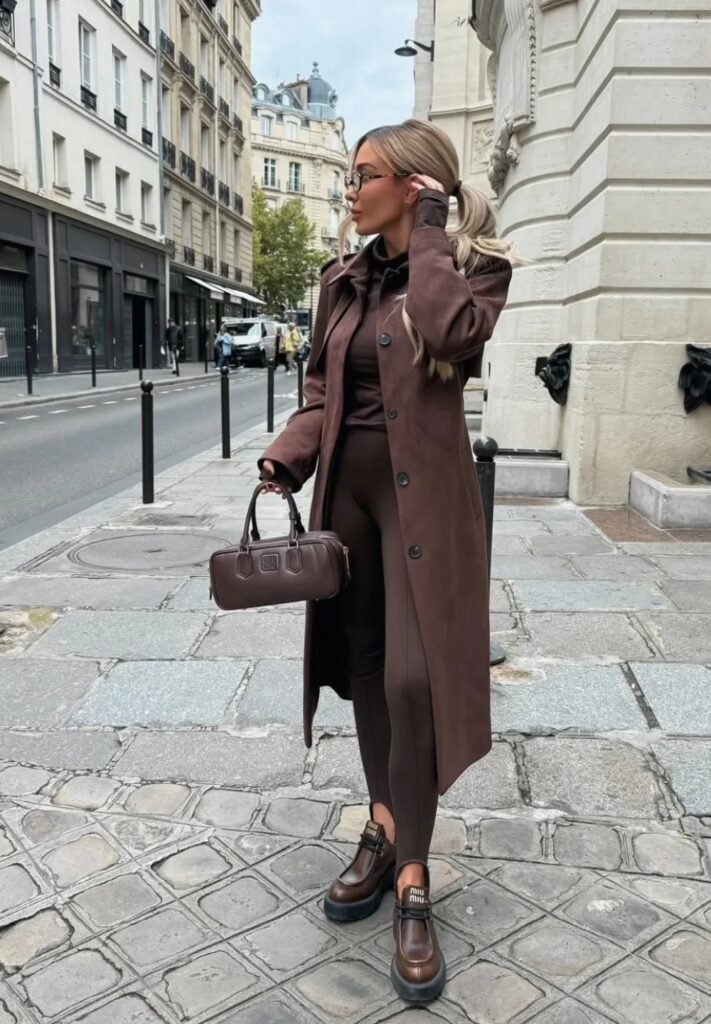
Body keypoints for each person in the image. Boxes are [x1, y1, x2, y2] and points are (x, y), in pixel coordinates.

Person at [257, 119, 516, 1004]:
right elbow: (322, 392)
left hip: (424, 509)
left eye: (362, 176)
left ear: (412, 187)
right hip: (347, 509)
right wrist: (285, 457)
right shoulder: (343, 279)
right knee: (366, 671)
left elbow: (446, 338)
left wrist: (435, 232)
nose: (348, 189)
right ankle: (381, 826)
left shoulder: (474, 270)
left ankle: (413, 880)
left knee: (415, 682)